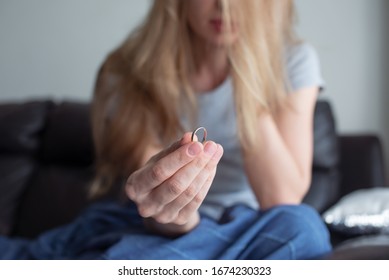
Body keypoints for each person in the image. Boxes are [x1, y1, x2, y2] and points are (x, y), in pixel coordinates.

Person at [0, 0, 331, 259]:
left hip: (246, 231)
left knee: (302, 227)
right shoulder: (126, 71)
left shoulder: (293, 61)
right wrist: (179, 212)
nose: (225, 5)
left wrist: (249, 71)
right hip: (147, 228)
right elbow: (155, 205)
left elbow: (281, 198)